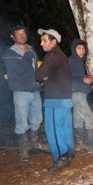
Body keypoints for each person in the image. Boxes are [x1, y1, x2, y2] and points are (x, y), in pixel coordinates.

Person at [2, 25, 45, 161]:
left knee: (37, 119)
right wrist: (27, 56)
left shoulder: (31, 49)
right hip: (21, 92)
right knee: (21, 122)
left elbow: (35, 68)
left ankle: (35, 145)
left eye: (23, 33)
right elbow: (18, 71)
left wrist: (41, 79)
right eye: (18, 34)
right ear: (13, 37)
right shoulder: (9, 53)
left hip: (35, 90)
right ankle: (23, 151)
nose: (22, 36)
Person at [35, 28, 74, 172]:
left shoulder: (51, 55)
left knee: (54, 130)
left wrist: (43, 75)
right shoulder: (63, 56)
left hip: (55, 99)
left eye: (44, 40)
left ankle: (61, 158)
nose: (41, 43)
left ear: (53, 42)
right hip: (66, 98)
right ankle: (69, 154)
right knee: (65, 128)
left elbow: (39, 75)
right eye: (41, 40)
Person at [69, 38, 93, 151]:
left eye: (83, 48)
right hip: (76, 93)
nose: (81, 51)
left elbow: (77, 77)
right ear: (73, 49)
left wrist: (88, 78)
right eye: (78, 48)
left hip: (79, 92)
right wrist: (83, 79)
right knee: (90, 118)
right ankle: (91, 145)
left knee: (78, 119)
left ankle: (79, 144)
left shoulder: (79, 61)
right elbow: (67, 76)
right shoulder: (71, 60)